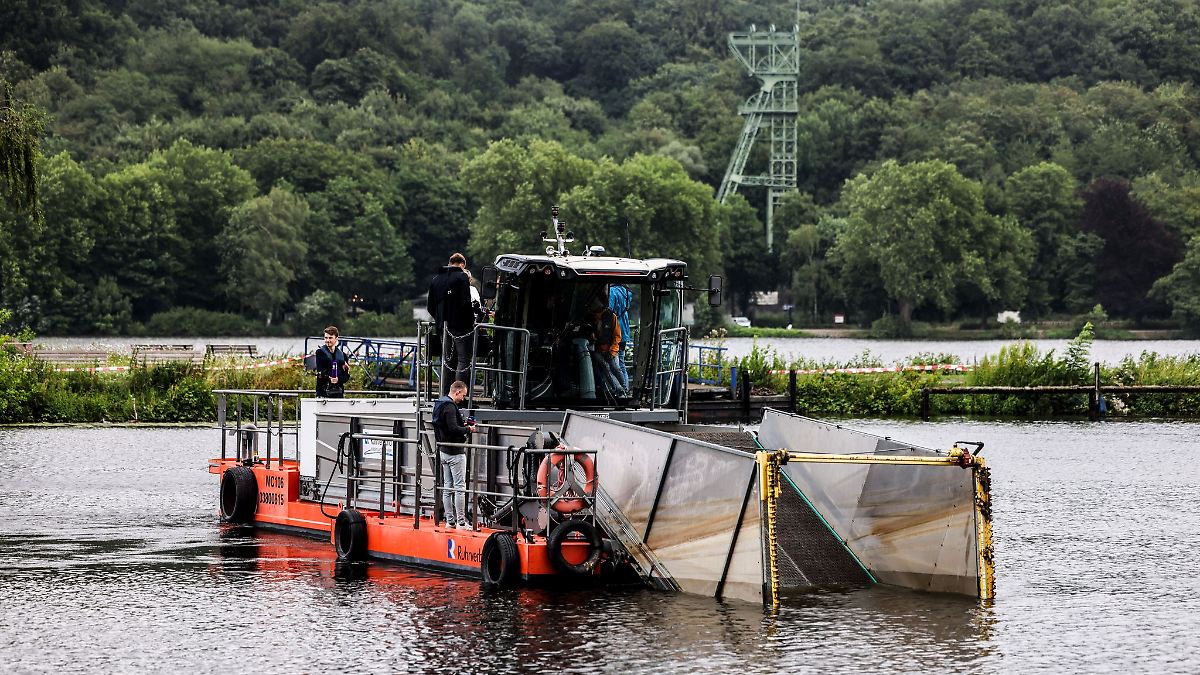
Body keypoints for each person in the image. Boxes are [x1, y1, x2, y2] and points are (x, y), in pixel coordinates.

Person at [427, 253, 475, 394]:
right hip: (462, 327)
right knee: (463, 361)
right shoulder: (462, 277)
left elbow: (430, 307)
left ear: (450, 263)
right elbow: (466, 303)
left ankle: (445, 395)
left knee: (448, 361)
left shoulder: (435, 279)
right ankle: (459, 396)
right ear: (462, 264)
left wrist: (440, 319)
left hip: (443, 327)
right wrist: (470, 322)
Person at [432, 380, 476, 529]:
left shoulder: (439, 403)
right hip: (454, 452)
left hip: (443, 450)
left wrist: (462, 426)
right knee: (459, 488)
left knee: (447, 487)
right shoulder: (450, 406)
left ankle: (450, 521)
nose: (463, 398)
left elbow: (447, 426)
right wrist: (468, 429)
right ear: (457, 392)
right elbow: (453, 429)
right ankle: (461, 522)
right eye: (463, 395)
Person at [589, 298, 628, 399]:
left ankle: (624, 388)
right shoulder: (592, 320)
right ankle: (618, 389)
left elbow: (617, 336)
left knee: (615, 367)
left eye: (597, 313)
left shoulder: (611, 317)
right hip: (598, 350)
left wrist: (613, 351)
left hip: (611, 348)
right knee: (606, 368)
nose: (596, 315)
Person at [608, 283, 633, 392]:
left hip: (614, 330)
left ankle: (618, 388)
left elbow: (609, 310)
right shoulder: (627, 292)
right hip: (624, 330)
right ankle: (625, 388)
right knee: (621, 362)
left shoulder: (612, 291)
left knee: (613, 362)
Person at [314, 326, 348, 398]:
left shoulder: (343, 356)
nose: (328, 340)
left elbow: (346, 376)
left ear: (336, 338)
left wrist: (338, 379)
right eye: (326, 338)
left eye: (330, 338)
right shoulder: (320, 353)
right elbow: (320, 371)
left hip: (338, 393)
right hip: (323, 392)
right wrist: (330, 378)